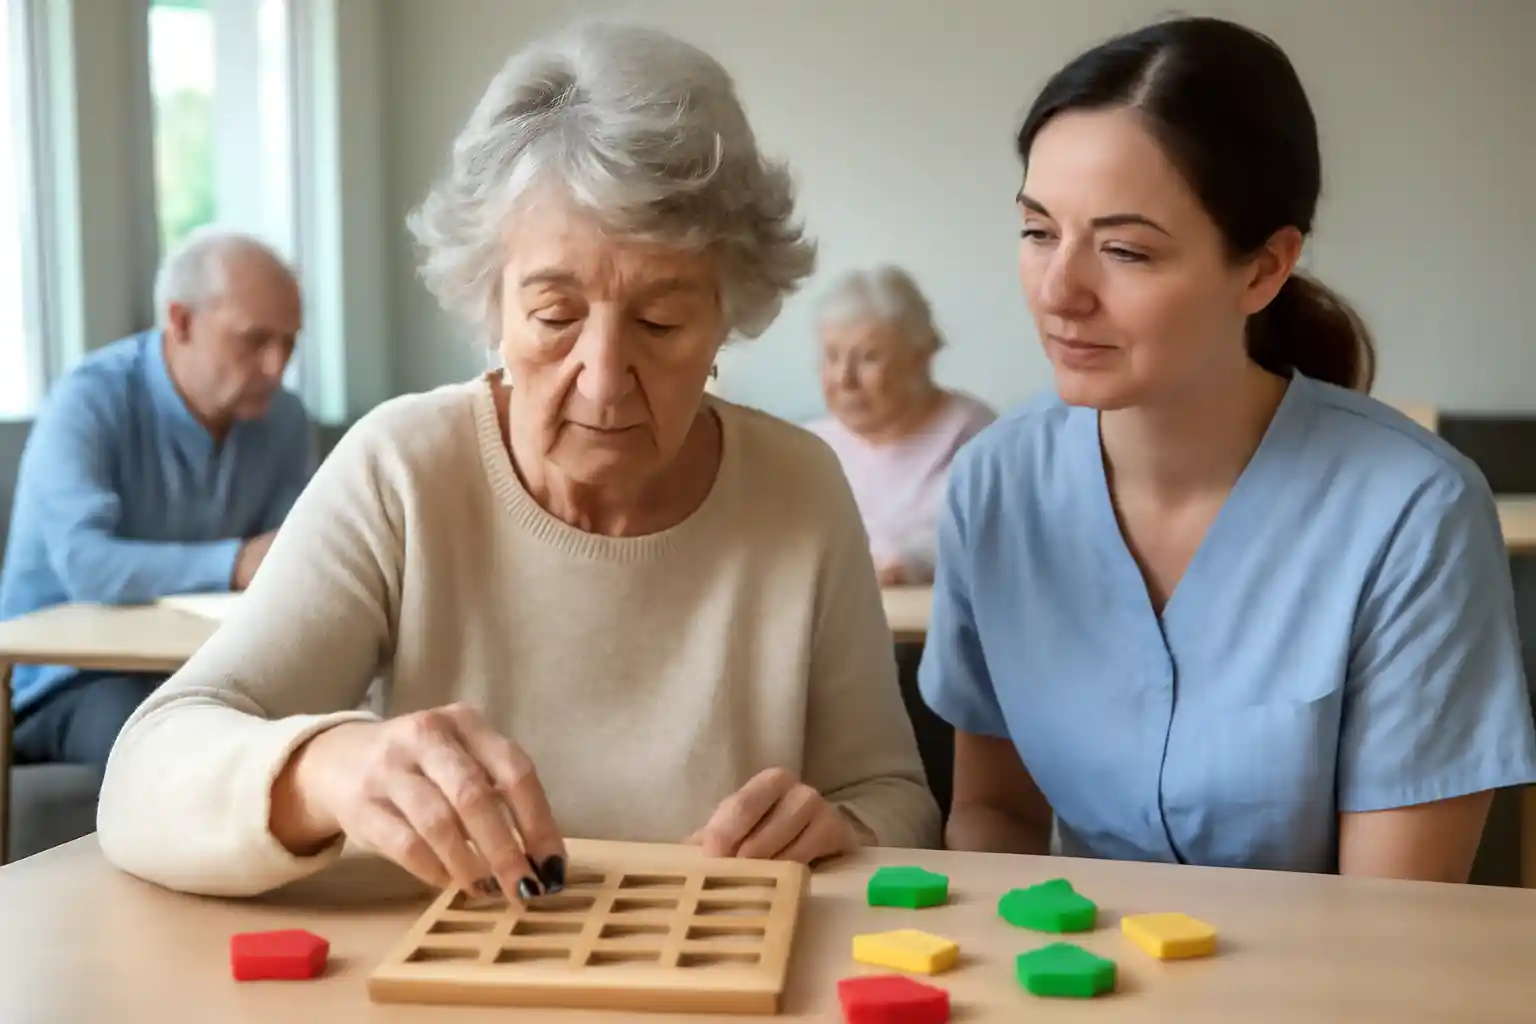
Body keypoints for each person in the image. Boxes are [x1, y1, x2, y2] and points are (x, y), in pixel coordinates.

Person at [96, 21, 939, 900]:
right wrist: (327, 767)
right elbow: (143, 776)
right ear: (490, 303)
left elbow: (896, 798)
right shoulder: (404, 471)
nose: (604, 381)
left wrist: (846, 829)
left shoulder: (800, 487)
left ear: (727, 315)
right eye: (555, 316)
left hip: (724, 960)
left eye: (660, 322)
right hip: (446, 964)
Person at [919, 16, 1536, 881]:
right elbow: (995, 812)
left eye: (1125, 250)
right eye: (1037, 231)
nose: (1060, 292)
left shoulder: (1415, 513)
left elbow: (1395, 915)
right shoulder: (995, 482)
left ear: (1264, 268)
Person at [0, 228, 314, 769]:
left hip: (212, 668)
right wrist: (237, 563)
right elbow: (87, 564)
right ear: (181, 321)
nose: (276, 366)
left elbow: (294, 567)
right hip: (69, 681)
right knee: (175, 748)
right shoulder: (89, 399)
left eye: (289, 343)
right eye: (255, 339)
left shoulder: (284, 420)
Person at [807, 267, 994, 586]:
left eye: (868, 358)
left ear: (920, 358)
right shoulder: (808, 447)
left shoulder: (976, 437)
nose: (844, 379)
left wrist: (909, 565)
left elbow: (990, 544)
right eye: (832, 357)